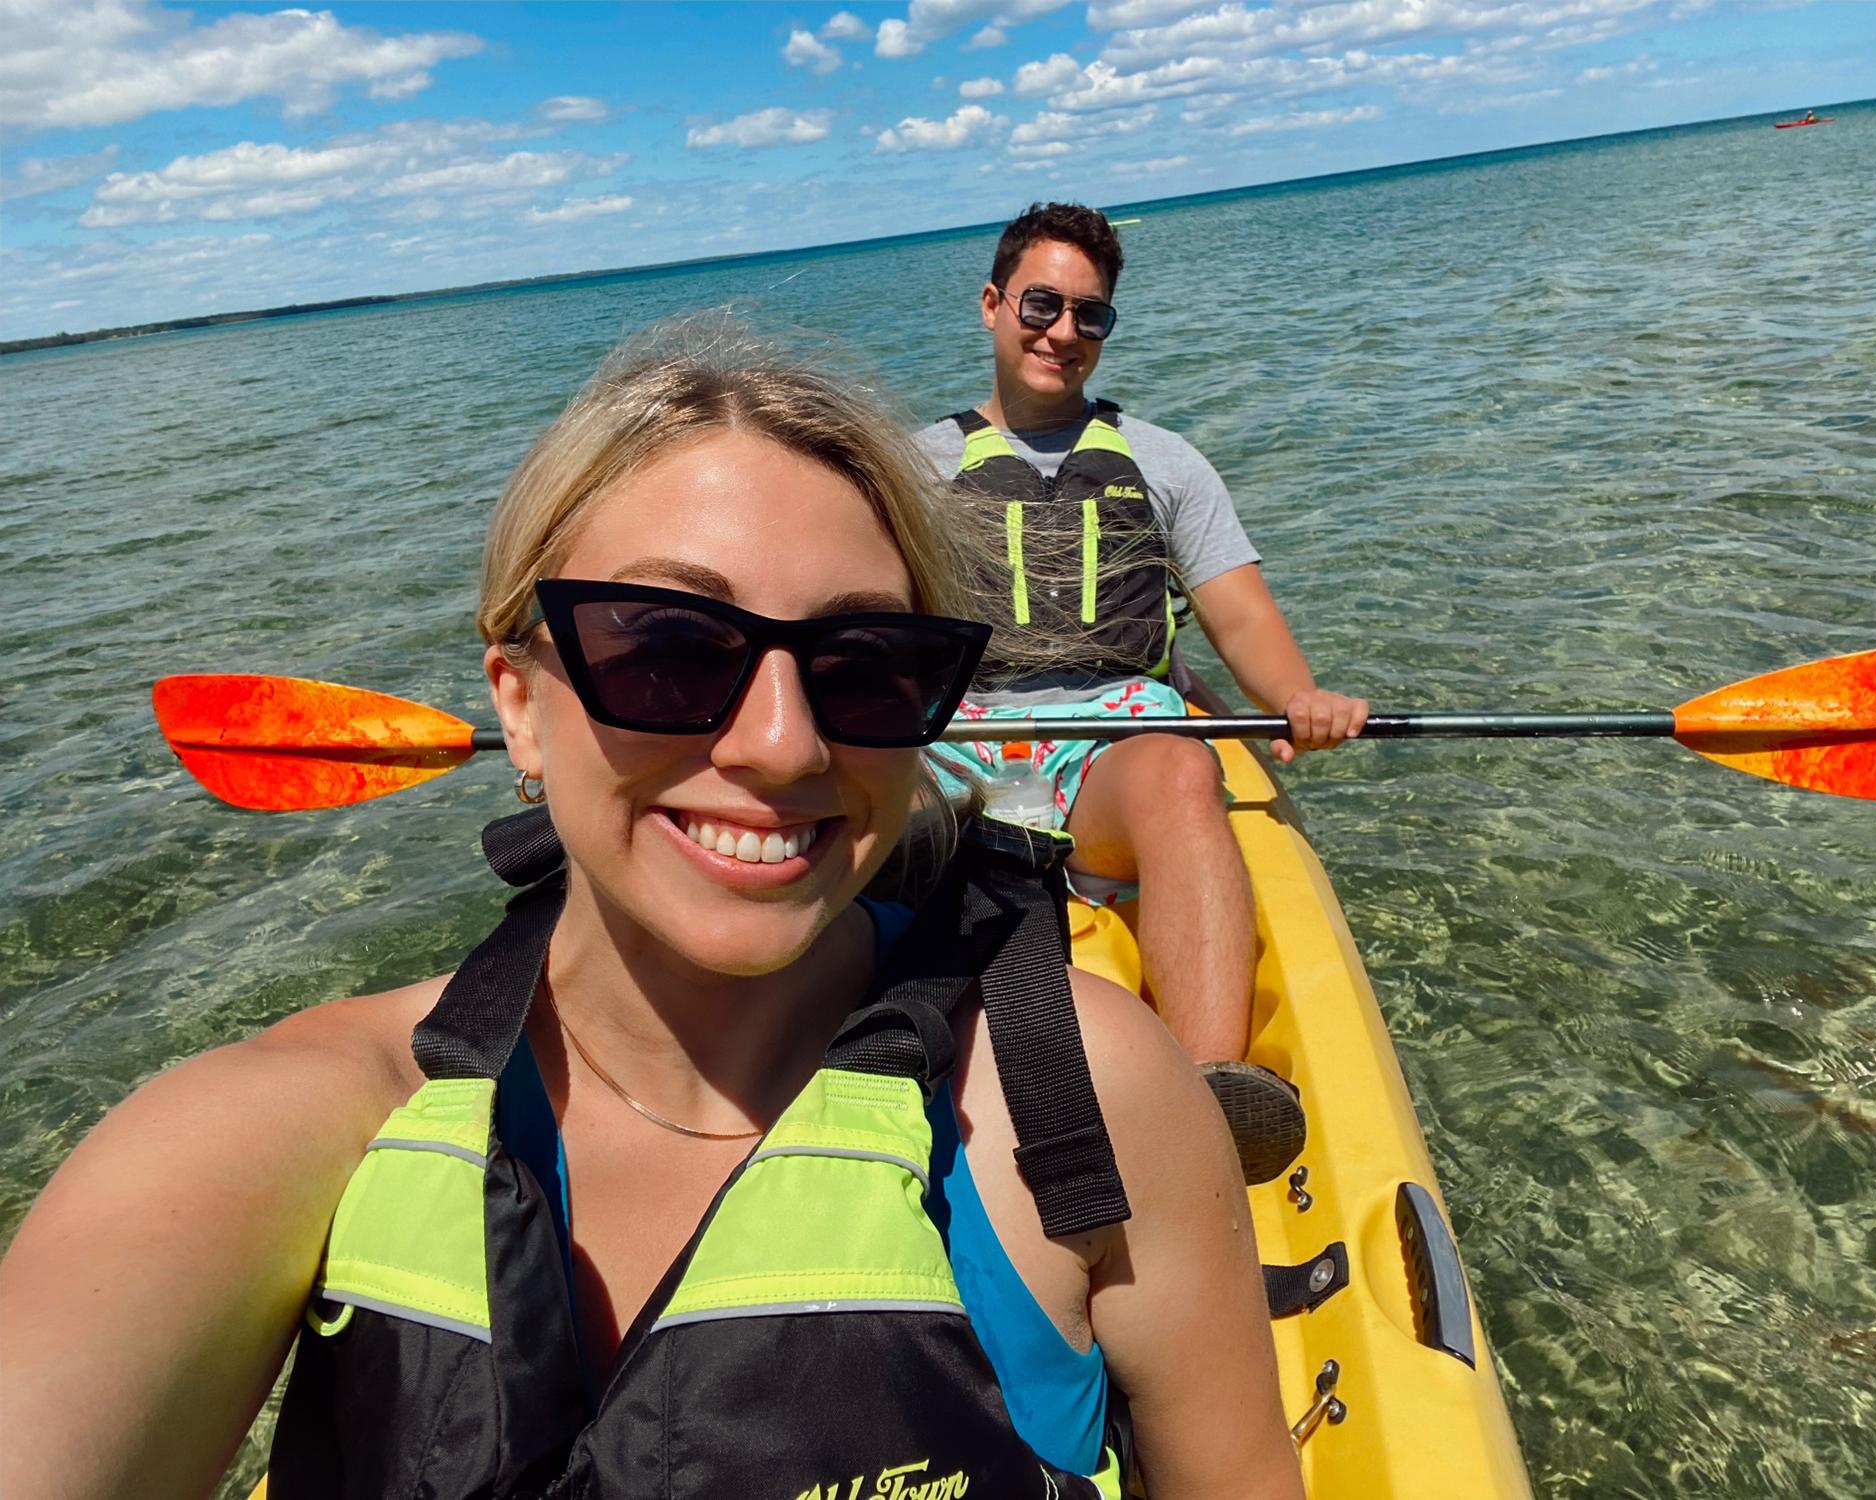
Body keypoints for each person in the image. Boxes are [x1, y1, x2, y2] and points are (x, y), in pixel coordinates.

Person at [0, 321, 1304, 1500]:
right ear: (519, 700)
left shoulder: (1085, 1099)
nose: (785, 746)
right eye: (670, 650)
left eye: (865, 666)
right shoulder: (274, 1134)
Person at [917, 203, 1368, 1185]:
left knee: (1178, 770)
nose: (1063, 331)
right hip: (953, 749)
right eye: (1042, 303)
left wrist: (1295, 697)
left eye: (1091, 314)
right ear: (992, 305)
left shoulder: (1163, 464)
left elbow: (1238, 616)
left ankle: (1211, 1093)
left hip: (1107, 747)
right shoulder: (911, 468)